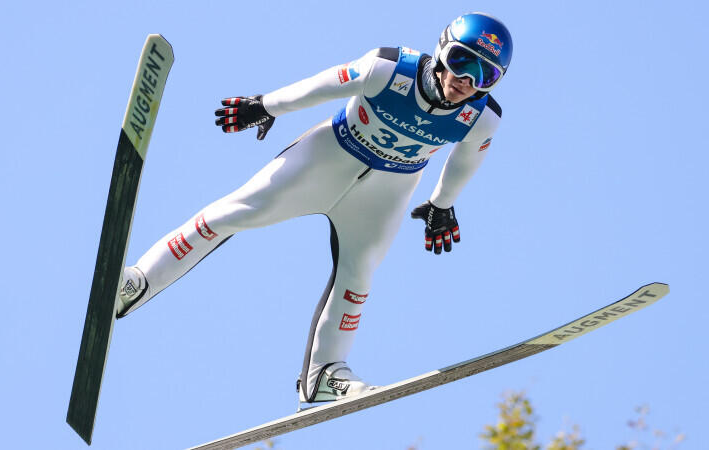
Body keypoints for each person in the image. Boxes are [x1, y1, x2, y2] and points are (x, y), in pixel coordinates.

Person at [115, 12, 513, 406]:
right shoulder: (389, 68)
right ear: (442, 50)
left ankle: (326, 373)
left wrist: (442, 206)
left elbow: (465, 163)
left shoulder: (481, 118)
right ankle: (137, 283)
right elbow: (323, 86)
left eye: (486, 76)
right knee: (234, 212)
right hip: (326, 159)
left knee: (359, 277)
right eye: (463, 62)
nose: (467, 81)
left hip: (385, 193)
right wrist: (266, 105)